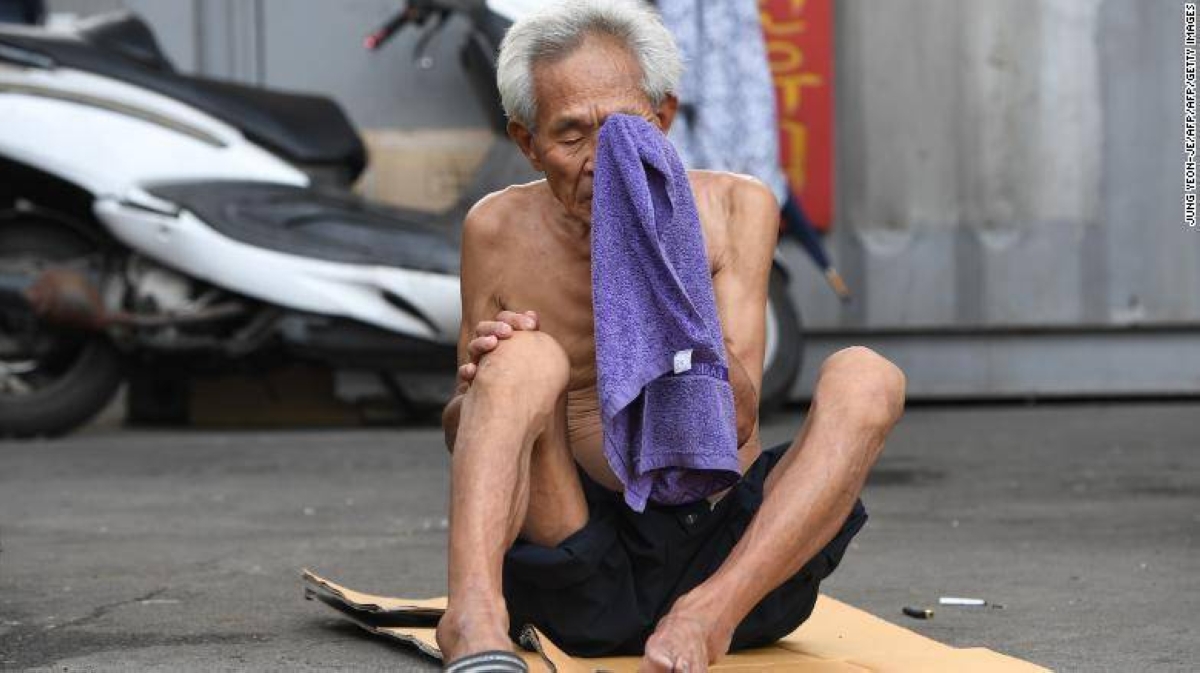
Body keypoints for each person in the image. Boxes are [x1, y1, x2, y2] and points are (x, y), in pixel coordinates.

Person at [436, 1, 905, 671]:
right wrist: (483, 386)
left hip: (735, 569)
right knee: (522, 356)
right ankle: (472, 616)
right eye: (571, 136)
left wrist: (661, 267)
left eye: (623, 130)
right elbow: (460, 429)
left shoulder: (736, 208)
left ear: (663, 118)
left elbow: (734, 419)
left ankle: (703, 617)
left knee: (868, 377)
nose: (601, 160)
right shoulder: (496, 230)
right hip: (583, 565)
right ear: (527, 142)